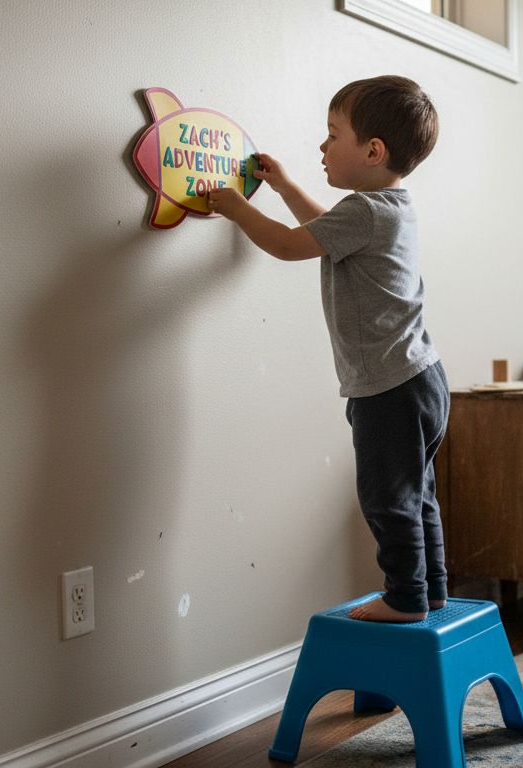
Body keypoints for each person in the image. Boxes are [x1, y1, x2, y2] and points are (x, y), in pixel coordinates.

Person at [206, 75, 447, 623]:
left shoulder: (365, 211)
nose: (322, 145)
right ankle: (430, 590)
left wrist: (237, 209)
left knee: (387, 498)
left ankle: (406, 599)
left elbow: (293, 245)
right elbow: (323, 229)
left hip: (389, 387)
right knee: (417, 495)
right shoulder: (388, 209)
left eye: (332, 134)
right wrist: (286, 185)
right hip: (421, 380)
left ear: (372, 151)